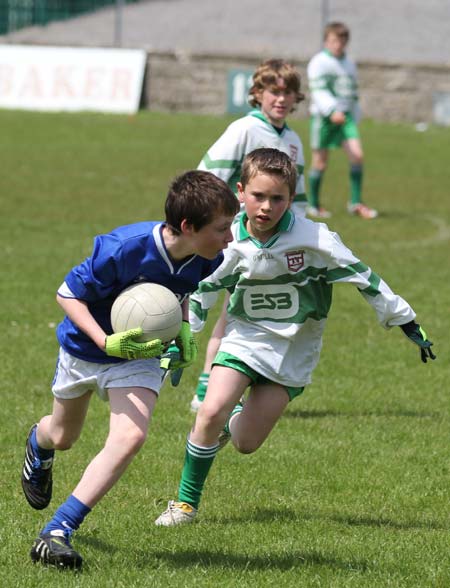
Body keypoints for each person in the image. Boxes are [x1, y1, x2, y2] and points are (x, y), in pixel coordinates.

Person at [154, 148, 435, 527]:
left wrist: (405, 320)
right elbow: (202, 289)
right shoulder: (227, 239)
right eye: (258, 196)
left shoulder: (315, 239)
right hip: (245, 337)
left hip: (293, 350)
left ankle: (231, 420)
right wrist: (183, 337)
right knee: (208, 409)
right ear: (240, 192)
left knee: (245, 443)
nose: (266, 207)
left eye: (277, 198)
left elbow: (363, 277)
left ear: (291, 198)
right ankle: (186, 505)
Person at [21, 170, 240, 569]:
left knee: (131, 436)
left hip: (139, 357)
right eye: (222, 228)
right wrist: (105, 341)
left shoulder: (207, 258)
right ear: (188, 226)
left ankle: (57, 531)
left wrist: (183, 331)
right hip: (84, 349)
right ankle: (39, 443)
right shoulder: (123, 248)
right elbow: (67, 294)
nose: (229, 238)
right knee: (63, 435)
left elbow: (180, 291)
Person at [191, 58, 307, 412]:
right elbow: (207, 174)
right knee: (214, 308)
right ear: (258, 93)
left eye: (288, 93)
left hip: (268, 241)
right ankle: (189, 383)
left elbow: (296, 199)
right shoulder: (244, 129)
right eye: (274, 91)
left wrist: (302, 236)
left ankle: (206, 391)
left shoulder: (292, 140)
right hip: (234, 237)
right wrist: (222, 219)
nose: (281, 99)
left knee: (235, 312)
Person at [306, 21, 378, 219]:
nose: (337, 45)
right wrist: (331, 110)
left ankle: (355, 203)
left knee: (357, 156)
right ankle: (314, 204)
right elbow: (318, 90)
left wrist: (355, 114)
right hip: (325, 118)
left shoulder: (349, 63)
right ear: (326, 41)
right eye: (333, 41)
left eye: (341, 41)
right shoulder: (318, 62)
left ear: (346, 42)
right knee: (320, 163)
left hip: (345, 119)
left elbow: (353, 92)